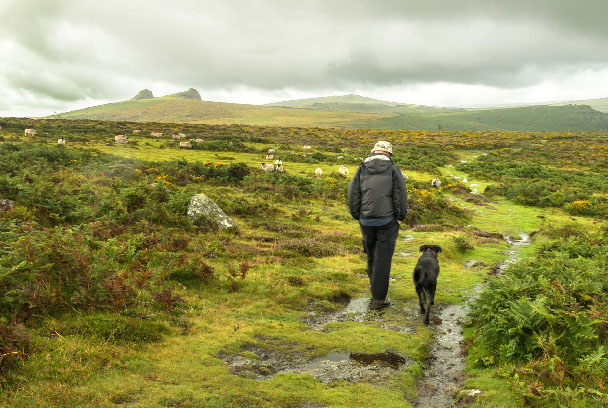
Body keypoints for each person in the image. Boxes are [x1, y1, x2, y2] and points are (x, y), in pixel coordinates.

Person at [347, 141, 407, 308]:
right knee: (383, 258)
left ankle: (374, 287)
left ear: (373, 152)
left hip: (366, 221)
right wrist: (400, 216)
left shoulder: (362, 168)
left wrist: (356, 214)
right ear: (388, 153)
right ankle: (379, 299)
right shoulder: (393, 169)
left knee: (372, 254)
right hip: (388, 221)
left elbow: (353, 192)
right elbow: (400, 193)